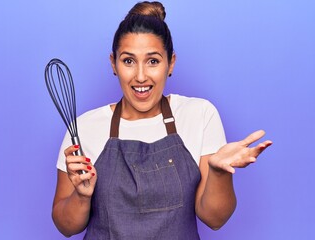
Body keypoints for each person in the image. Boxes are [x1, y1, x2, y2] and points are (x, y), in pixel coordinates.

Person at [51, 1, 272, 239]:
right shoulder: (83, 128)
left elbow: (215, 219)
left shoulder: (199, 114)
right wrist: (82, 196)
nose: (141, 76)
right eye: (128, 61)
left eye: (153, 61)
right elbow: (66, 226)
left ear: (171, 63)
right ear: (113, 64)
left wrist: (218, 173)